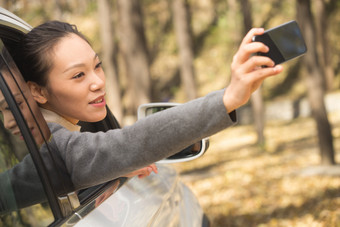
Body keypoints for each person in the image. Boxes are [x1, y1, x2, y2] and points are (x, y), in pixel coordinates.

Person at [11, 21, 283, 191]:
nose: (98, 83)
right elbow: (130, 143)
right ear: (38, 90)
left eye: (97, 66)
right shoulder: (56, 149)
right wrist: (228, 98)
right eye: (78, 75)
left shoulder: (55, 144)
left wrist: (108, 169)